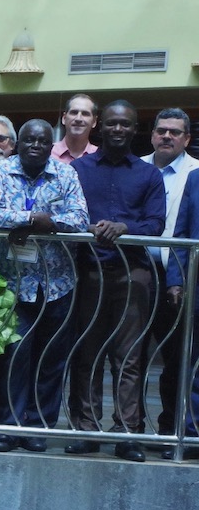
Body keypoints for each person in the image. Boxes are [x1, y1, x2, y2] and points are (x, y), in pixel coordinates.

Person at [0, 119, 88, 454]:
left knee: (51, 358)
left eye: (42, 141)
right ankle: (8, 426)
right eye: (29, 140)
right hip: (14, 283)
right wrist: (27, 220)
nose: (35, 146)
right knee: (15, 355)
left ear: (50, 144)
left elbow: (81, 219)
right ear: (18, 143)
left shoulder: (66, 174)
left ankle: (38, 426)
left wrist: (49, 224)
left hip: (58, 284)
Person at [67, 100, 166, 462]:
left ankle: (127, 431)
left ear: (135, 128)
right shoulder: (78, 169)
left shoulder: (148, 174)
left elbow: (156, 224)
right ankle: (86, 429)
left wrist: (125, 228)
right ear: (100, 127)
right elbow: (69, 215)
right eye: (111, 124)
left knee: (129, 359)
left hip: (132, 274)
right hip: (89, 272)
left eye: (125, 124)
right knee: (87, 355)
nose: (118, 130)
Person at [146, 108, 199, 436]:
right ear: (152, 134)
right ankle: (132, 428)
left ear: (187, 139)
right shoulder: (137, 167)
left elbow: (181, 232)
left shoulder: (195, 173)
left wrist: (177, 280)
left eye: (175, 132)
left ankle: (174, 430)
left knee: (178, 359)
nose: (167, 136)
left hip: (178, 278)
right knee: (131, 359)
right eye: (162, 130)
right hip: (137, 272)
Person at [52, 94, 99, 164]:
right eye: (74, 112)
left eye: (85, 114)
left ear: (94, 122)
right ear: (64, 118)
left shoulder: (100, 157)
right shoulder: (48, 153)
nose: (78, 119)